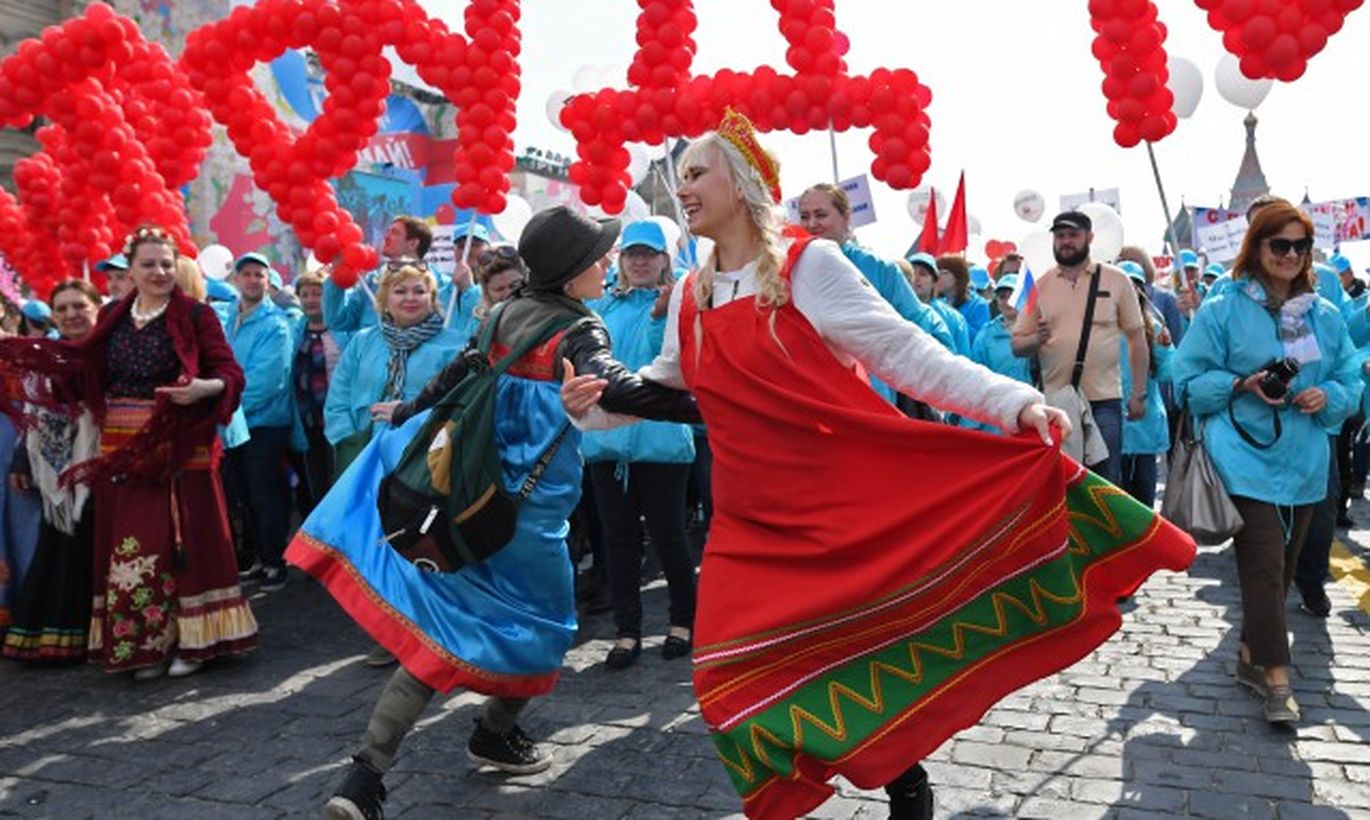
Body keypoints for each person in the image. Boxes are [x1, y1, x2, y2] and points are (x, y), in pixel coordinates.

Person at [561, 111, 1194, 820]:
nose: (683, 189)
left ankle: (903, 780)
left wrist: (1013, 404)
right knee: (725, 679)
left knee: (865, 642)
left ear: (740, 184)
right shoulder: (689, 294)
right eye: (679, 178)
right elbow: (669, 382)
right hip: (747, 523)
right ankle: (837, 774)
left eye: (697, 172)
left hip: (836, 506)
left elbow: (907, 354)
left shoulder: (809, 267)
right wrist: (591, 407)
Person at [289, 207, 700, 819]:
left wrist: (407, 414)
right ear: (573, 270)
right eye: (599, 255)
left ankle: (365, 774)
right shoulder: (580, 329)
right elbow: (612, 388)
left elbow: (457, 376)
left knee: (444, 632)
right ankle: (493, 732)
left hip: (467, 502)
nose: (608, 262)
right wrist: (713, 403)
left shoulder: (505, 312)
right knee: (550, 630)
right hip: (525, 520)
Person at [0, 225, 257, 680]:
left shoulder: (196, 316)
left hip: (178, 444)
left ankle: (194, 642)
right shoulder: (114, 316)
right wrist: (34, 360)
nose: (159, 272)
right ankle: (146, 642)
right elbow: (87, 369)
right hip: (119, 446)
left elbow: (230, 374)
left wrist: (205, 388)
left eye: (165, 263)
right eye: (148, 264)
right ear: (130, 270)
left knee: (184, 543)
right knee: (134, 546)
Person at [1174, 201, 1361, 725]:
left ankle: (1251, 653)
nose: (1292, 255)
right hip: (1243, 454)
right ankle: (1278, 679)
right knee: (1261, 563)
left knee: (1280, 567)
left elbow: (1350, 377)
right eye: (1280, 244)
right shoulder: (1222, 308)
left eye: (1301, 245)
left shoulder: (1323, 314)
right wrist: (1242, 383)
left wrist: (1328, 395)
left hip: (1304, 460)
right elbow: (1186, 382)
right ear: (1256, 246)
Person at [583, 220, 698, 670]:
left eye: (650, 254)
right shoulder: (601, 307)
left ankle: (682, 621)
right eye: (633, 253)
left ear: (666, 260)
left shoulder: (678, 305)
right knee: (619, 542)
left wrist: (658, 319)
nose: (641, 261)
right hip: (607, 442)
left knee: (670, 538)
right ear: (622, 261)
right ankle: (626, 629)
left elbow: (671, 369)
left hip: (662, 441)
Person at [3, 280, 102, 662]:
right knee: (63, 549)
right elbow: (34, 416)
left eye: (79, 306)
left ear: (96, 307)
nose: (71, 315)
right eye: (62, 309)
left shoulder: (111, 353)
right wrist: (22, 461)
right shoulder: (49, 356)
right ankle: (65, 636)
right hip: (56, 478)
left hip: (105, 471)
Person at [1011, 211, 1148, 483]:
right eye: (1060, 236)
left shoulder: (1116, 279)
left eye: (1073, 235)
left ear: (1090, 238)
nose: (1066, 241)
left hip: (1104, 400)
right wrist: (1035, 340)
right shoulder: (1038, 286)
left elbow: (1136, 338)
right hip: (1056, 402)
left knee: (1106, 484)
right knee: (1062, 483)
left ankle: (1106, 528)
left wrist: (1139, 394)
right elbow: (1017, 345)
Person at [324, 258, 467, 479]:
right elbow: (338, 399)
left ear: (432, 297)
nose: (410, 298)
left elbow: (462, 406)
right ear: (384, 298)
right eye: (400, 291)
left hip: (426, 463)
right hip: (364, 459)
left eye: (419, 291)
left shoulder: (454, 346)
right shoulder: (363, 341)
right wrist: (347, 441)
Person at [222, 252, 296, 593]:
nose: (253, 279)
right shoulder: (227, 319)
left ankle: (276, 562)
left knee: (265, 494)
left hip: (263, 424)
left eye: (259, 275)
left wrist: (224, 407)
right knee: (243, 495)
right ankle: (258, 559)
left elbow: (267, 382)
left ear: (268, 282)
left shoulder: (276, 324)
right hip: (231, 424)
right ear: (236, 279)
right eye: (247, 273)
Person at [1117, 262, 1173, 508]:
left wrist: (1164, 348)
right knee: (1115, 505)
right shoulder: (1099, 329)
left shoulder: (1155, 328)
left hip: (1144, 430)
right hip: (1110, 431)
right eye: (1125, 285)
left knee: (1143, 503)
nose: (1130, 290)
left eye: (1135, 285)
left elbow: (1170, 372)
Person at [292, 269, 348, 514]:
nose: (311, 299)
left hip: (338, 419)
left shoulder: (345, 332)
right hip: (307, 419)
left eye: (317, 293)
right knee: (315, 481)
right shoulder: (295, 331)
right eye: (305, 294)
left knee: (341, 478)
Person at [964, 274, 1033, 434]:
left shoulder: (1041, 330)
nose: (1008, 300)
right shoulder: (986, 335)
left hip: (1034, 415)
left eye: (1014, 295)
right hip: (998, 419)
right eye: (1002, 296)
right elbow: (977, 380)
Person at [903, 252, 970, 355]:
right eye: (911, 273)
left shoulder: (953, 318)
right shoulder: (894, 310)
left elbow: (963, 361)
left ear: (934, 281)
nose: (915, 279)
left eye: (923, 274)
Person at [935, 255, 991, 339]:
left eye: (944, 273)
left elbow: (978, 338)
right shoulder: (937, 303)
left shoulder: (978, 305)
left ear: (958, 276)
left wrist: (950, 315)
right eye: (936, 273)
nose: (938, 277)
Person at [472, 244, 527, 322]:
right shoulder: (478, 327)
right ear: (486, 293)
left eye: (514, 285)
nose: (508, 293)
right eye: (499, 289)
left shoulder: (540, 315)